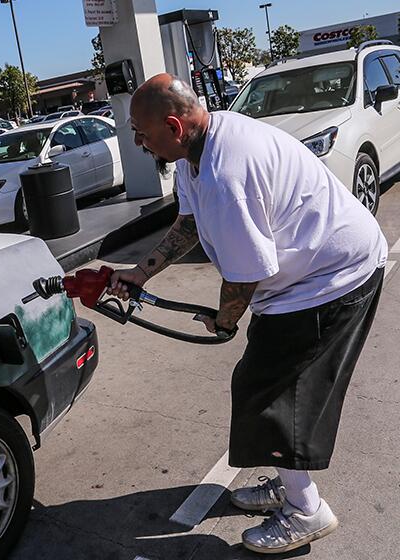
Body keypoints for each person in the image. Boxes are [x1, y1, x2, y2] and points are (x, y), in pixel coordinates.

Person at [108, 73, 386, 554]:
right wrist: (141, 272)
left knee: (272, 392)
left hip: (332, 279)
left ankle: (306, 510)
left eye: (141, 132)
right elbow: (188, 223)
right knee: (263, 384)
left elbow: (244, 276)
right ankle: (290, 482)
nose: (137, 141)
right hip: (303, 278)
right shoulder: (197, 154)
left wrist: (225, 320)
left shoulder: (226, 175)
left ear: (174, 127)